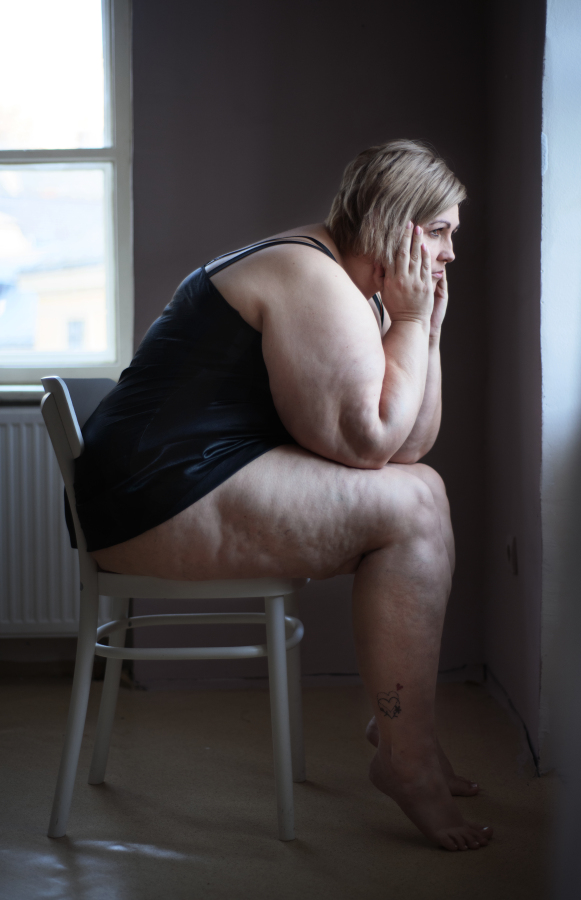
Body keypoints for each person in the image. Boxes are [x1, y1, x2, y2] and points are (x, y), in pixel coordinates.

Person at [75, 139, 492, 851]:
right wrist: (412, 325)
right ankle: (407, 755)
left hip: (177, 479)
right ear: (401, 227)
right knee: (415, 508)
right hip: (152, 495)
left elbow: (409, 444)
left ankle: (402, 732)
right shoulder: (312, 274)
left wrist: (429, 329)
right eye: (443, 231)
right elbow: (368, 446)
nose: (452, 251)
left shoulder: (343, 278)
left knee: (422, 487)